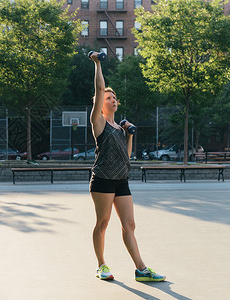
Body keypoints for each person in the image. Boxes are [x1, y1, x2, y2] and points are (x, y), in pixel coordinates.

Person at [89, 51, 166, 282]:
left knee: (130, 224)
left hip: (121, 179)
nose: (112, 99)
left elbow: (126, 156)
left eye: (114, 98)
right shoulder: (99, 121)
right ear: (101, 103)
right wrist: (97, 63)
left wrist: (130, 134)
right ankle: (101, 265)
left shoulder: (119, 128)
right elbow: (99, 89)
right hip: (102, 179)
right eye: (108, 97)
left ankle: (141, 269)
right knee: (103, 223)